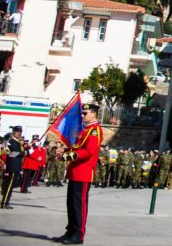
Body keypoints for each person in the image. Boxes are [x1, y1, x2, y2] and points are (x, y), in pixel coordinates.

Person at [53, 103, 103, 244]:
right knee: (71, 204)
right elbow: (77, 147)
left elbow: (88, 152)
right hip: (75, 171)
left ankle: (78, 234)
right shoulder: (85, 131)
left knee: (78, 205)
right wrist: (64, 152)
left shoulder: (95, 130)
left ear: (94, 114)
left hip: (84, 173)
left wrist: (67, 157)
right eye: (82, 113)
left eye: (85, 113)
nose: (82, 115)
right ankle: (70, 231)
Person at [1, 125, 25, 208]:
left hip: (16, 166)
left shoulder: (18, 142)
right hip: (13, 166)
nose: (19, 133)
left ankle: (6, 202)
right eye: (17, 132)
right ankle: (4, 203)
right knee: (9, 185)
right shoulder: (11, 141)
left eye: (20, 132)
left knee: (11, 186)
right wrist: (25, 152)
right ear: (13, 132)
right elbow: (16, 152)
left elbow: (21, 151)